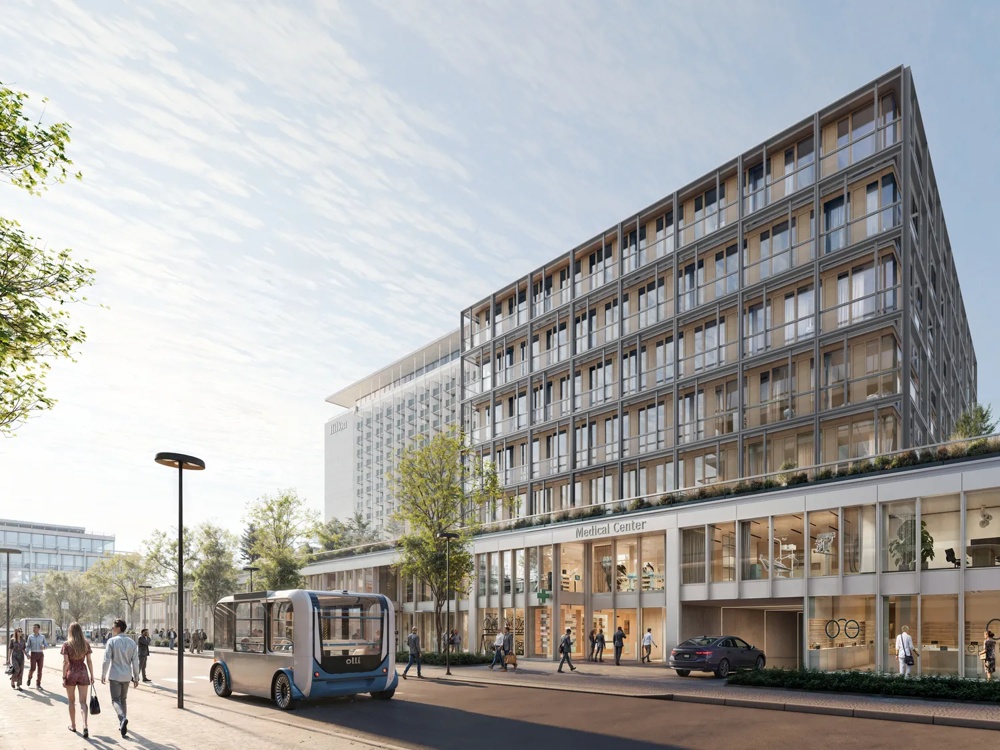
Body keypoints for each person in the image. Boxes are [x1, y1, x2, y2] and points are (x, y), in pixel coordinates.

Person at [102, 618, 141, 738]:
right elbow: (135, 661)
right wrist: (136, 677)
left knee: (115, 700)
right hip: (127, 676)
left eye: (113, 627)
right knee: (123, 699)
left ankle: (122, 718)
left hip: (115, 675)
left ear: (118, 628)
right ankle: (122, 723)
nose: (112, 629)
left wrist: (103, 674)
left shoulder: (112, 642)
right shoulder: (132, 643)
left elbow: (107, 659)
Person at [61, 622, 94, 737]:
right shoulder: (86, 644)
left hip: (71, 672)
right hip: (83, 672)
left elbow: (66, 662)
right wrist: (92, 675)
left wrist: (64, 676)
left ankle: (73, 725)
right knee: (83, 702)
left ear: (70, 631)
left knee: (71, 701)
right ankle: (85, 725)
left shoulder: (66, 644)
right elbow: (89, 660)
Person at [26, 623, 49, 689]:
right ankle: (29, 678)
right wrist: (27, 654)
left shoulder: (42, 637)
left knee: (40, 670)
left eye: (35, 627)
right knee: (33, 668)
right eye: (33, 628)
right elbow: (28, 646)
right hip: (33, 654)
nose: (34, 629)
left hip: (40, 655)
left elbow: (46, 645)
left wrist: (44, 647)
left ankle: (38, 684)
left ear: (38, 629)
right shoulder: (30, 637)